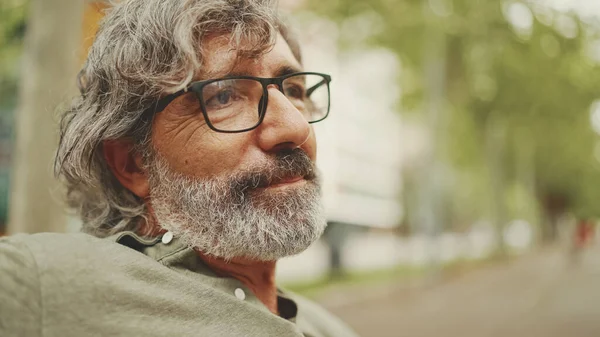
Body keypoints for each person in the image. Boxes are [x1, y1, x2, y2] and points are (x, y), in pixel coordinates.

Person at [0, 1, 359, 336]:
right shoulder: (47, 282)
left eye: (294, 90)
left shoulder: (330, 328)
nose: (295, 128)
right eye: (223, 95)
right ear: (132, 163)